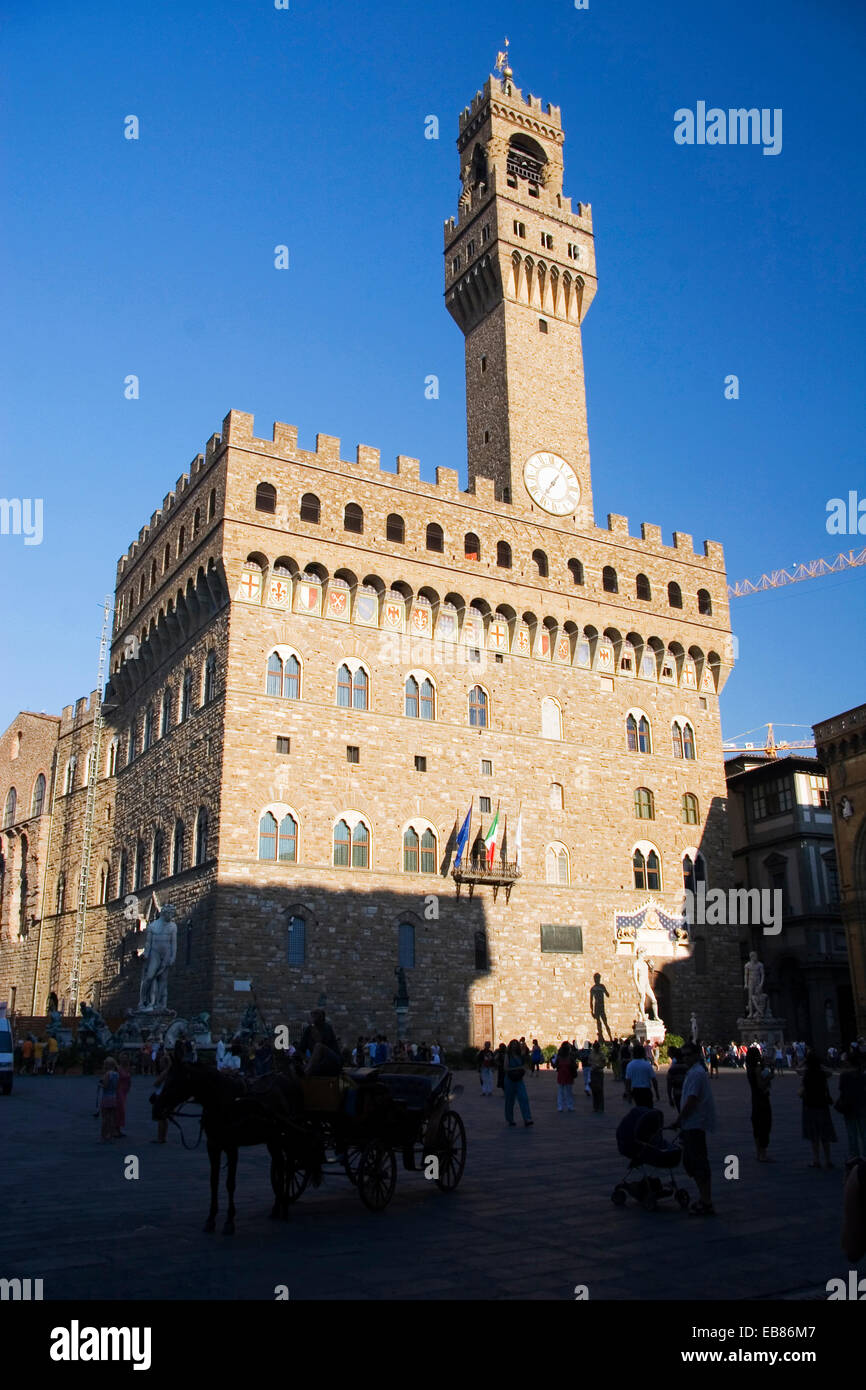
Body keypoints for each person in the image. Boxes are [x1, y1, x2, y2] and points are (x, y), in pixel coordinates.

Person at [673, 1041, 716, 1215]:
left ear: (697, 1055)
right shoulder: (693, 1072)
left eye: (688, 1054)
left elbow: (692, 1099)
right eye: (683, 1055)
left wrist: (680, 1119)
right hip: (691, 1123)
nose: (685, 1058)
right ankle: (704, 1198)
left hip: (694, 1123)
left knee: (698, 1162)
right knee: (693, 1162)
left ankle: (706, 1201)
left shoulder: (697, 1074)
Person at [799, 1051, 837, 1169]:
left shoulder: (806, 1075)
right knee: (824, 1134)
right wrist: (820, 1065)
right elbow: (831, 1072)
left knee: (814, 1135)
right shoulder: (822, 1074)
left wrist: (804, 1063)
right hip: (822, 1105)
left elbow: (797, 1070)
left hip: (809, 1106)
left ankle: (816, 1160)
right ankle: (828, 1160)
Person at [836, 1046, 866, 1160]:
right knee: (863, 1132)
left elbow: (841, 1089)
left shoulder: (844, 1076)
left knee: (851, 1132)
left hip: (849, 1107)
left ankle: (854, 1155)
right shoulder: (862, 1076)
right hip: (862, 1106)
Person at [746, 1044, 773, 1161]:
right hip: (762, 1099)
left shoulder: (749, 1069)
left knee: (757, 1126)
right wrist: (769, 1077)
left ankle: (758, 1153)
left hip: (754, 1099)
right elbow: (761, 1085)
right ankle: (763, 1154)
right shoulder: (757, 1070)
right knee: (764, 1125)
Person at [503, 1039, 533, 1128]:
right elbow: (505, 1068)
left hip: (519, 1079)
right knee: (509, 1100)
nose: (515, 1046)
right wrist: (518, 1068)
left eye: (516, 1045)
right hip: (510, 1080)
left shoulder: (520, 1056)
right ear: (510, 1046)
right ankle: (510, 1119)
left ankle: (527, 1118)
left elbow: (525, 1065)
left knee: (524, 1098)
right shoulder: (507, 1055)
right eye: (513, 1044)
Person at [625, 1044, 658, 1109]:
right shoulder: (647, 1065)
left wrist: (628, 1094)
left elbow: (628, 1081)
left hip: (636, 1090)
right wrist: (657, 1092)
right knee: (649, 1108)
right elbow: (654, 1080)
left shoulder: (630, 1065)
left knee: (639, 1108)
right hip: (646, 1090)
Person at [99, 1056, 121, 1142]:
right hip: (114, 1097)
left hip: (106, 1097)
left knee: (105, 1117)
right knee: (112, 1117)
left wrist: (100, 1084)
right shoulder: (116, 1074)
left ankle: (104, 1135)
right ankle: (111, 1134)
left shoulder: (108, 1074)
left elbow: (105, 1086)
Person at [555, 1041, 576, 1113]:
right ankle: (570, 1106)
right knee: (569, 1092)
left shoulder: (559, 1057)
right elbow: (574, 1065)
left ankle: (560, 1106)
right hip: (568, 1075)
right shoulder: (570, 1057)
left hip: (561, 1075)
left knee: (560, 1092)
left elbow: (555, 1065)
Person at [666, 1047, 689, 1112]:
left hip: (677, 1093)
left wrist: (670, 1098)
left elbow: (669, 1085)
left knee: (680, 1111)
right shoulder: (688, 1068)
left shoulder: (672, 1069)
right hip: (688, 1093)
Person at [115, 1053, 132, 1137]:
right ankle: (115, 1129)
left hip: (124, 1091)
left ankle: (118, 1129)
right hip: (118, 1091)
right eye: (123, 1058)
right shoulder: (117, 1068)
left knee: (121, 1110)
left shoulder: (127, 1068)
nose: (124, 1059)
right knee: (119, 1110)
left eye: (126, 1058)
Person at [589, 1044, 606, 1113]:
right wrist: (592, 1065)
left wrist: (599, 1065)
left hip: (599, 1072)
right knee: (594, 1089)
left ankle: (601, 1107)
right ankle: (595, 1107)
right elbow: (589, 1061)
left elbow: (604, 1063)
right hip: (593, 1072)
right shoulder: (591, 1054)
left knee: (600, 1089)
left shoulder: (601, 1054)